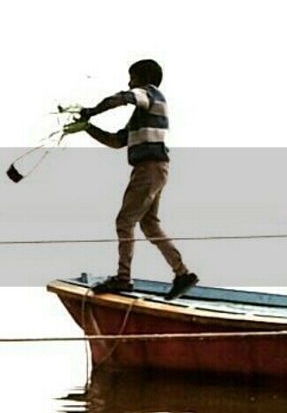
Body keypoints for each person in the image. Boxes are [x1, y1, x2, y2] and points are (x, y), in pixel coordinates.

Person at [74, 59, 199, 299]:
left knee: (125, 221)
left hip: (148, 168)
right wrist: (86, 127)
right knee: (149, 224)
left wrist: (91, 111)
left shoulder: (148, 94)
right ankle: (182, 273)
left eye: (131, 77)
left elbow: (121, 98)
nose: (129, 82)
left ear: (142, 78)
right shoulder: (142, 114)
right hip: (157, 168)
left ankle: (123, 279)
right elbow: (117, 141)